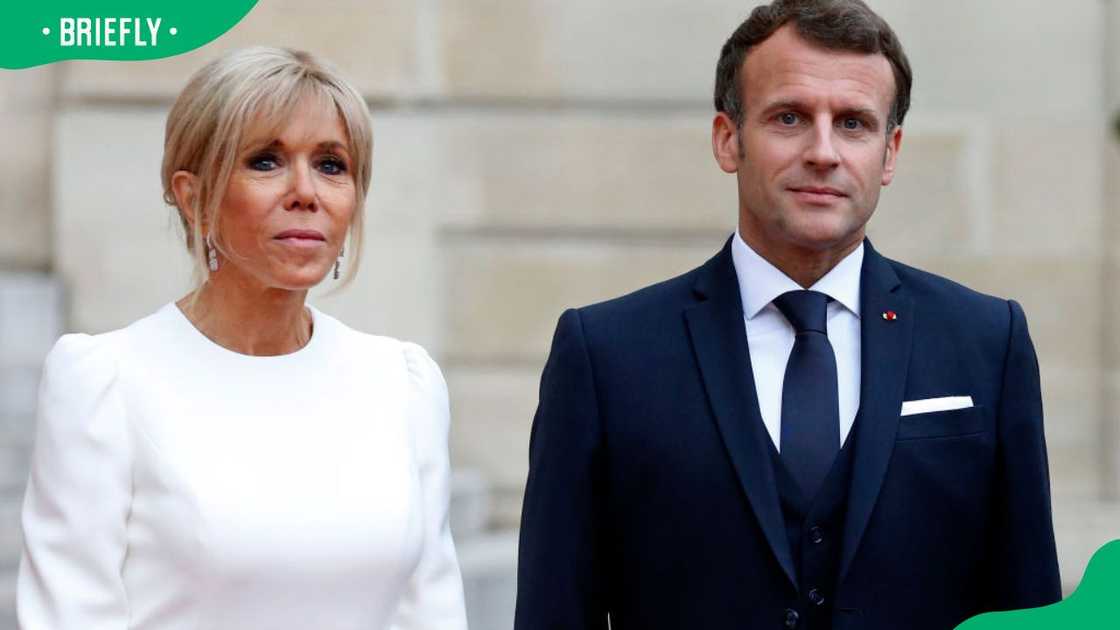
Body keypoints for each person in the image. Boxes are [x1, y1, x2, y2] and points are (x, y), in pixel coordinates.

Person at [514, 1, 1061, 629]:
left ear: (889, 154)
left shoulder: (988, 342)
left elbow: (1028, 605)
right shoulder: (604, 354)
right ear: (728, 140)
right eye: (790, 117)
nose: (823, 151)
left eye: (853, 123)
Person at [17, 47, 468, 630]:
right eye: (265, 161)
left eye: (332, 165)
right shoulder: (106, 381)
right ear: (192, 196)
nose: (305, 191)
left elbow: (431, 611)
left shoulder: (404, 384)